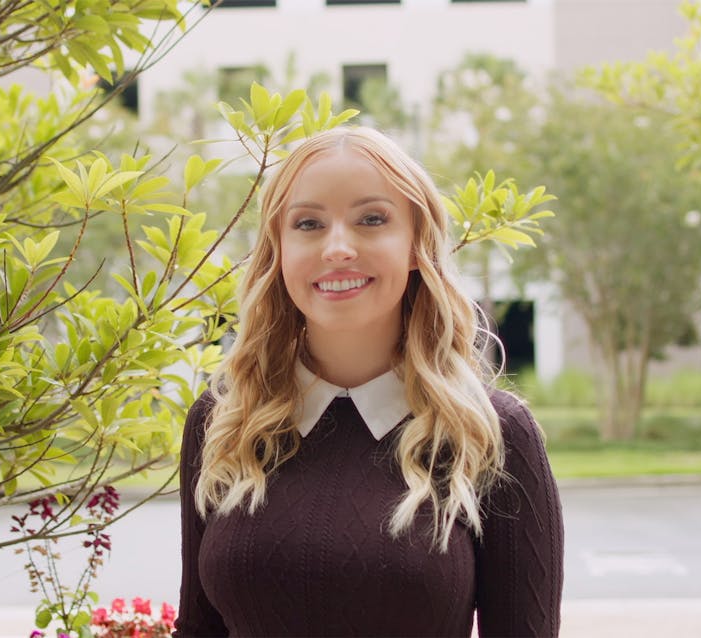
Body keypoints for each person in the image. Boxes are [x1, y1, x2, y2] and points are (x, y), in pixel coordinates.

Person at [173, 126, 564, 637]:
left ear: (415, 245)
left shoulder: (491, 433)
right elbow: (199, 630)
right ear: (278, 251)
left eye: (372, 219)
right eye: (308, 223)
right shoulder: (224, 421)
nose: (337, 247)